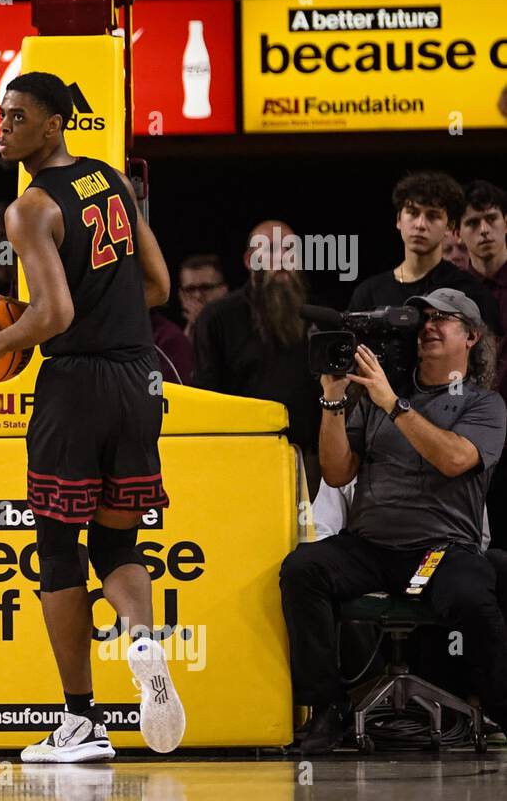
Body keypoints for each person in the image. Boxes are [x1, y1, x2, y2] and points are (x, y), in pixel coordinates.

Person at [0, 71, 183, 762]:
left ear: (53, 126)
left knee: (59, 551)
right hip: (139, 378)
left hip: (76, 385)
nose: (3, 127)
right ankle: (142, 642)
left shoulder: (29, 209)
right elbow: (159, 285)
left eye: (17, 117)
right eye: (0, 116)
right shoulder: (111, 180)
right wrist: (110, 317)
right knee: (118, 546)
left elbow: (53, 314)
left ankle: (81, 722)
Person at [281, 288, 507, 754]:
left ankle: (498, 706)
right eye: (424, 316)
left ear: (471, 337)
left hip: (439, 552)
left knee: (470, 595)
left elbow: (454, 459)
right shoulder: (379, 399)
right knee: (303, 569)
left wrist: (393, 404)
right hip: (370, 548)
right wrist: (333, 402)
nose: (429, 324)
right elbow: (339, 471)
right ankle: (326, 707)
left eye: (445, 318)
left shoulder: (484, 405)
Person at [193, 220, 324, 493]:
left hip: (309, 459)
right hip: (242, 460)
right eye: (271, 250)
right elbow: (207, 397)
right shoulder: (219, 317)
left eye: (290, 250)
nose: (282, 259)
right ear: (250, 260)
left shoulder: (319, 315)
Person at [349, 172, 499, 334]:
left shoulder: (469, 291)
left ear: (449, 226)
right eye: (413, 213)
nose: (420, 225)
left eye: (432, 216)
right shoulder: (368, 293)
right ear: (399, 219)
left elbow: (487, 355)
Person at [460, 181, 507, 547]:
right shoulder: (452, 295)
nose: (484, 230)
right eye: (473, 223)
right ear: (459, 233)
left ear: (506, 222)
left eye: (492, 219)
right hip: (472, 433)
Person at [176, 254, 227, 340]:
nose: (198, 295)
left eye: (206, 287)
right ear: (181, 295)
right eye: (190, 289)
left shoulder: (240, 326)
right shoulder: (167, 332)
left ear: (223, 291)